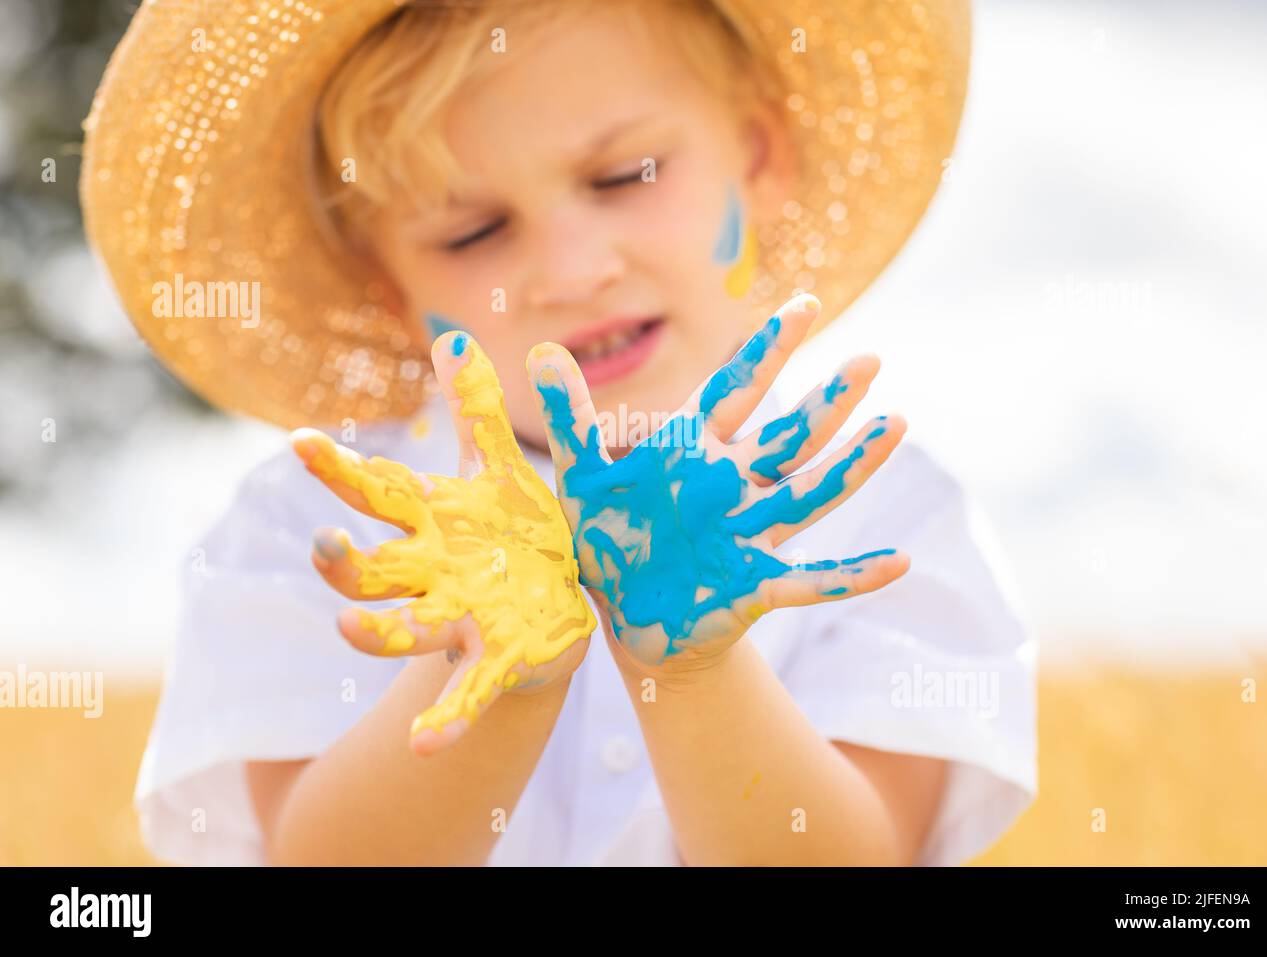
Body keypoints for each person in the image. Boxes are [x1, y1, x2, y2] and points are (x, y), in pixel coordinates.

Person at [82, 0, 1036, 866]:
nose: (570, 269)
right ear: (394, 294)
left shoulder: (878, 513)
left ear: (760, 158)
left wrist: (696, 671)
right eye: (472, 232)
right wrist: (499, 669)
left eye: (625, 176)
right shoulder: (310, 526)